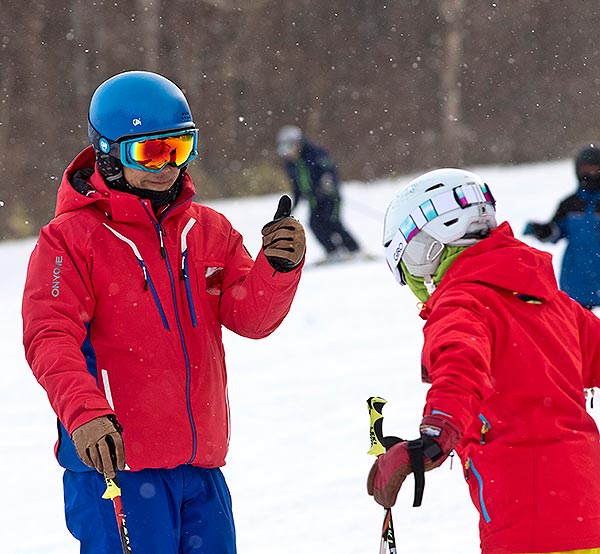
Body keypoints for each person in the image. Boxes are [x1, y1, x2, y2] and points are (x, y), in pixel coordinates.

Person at [22, 70, 306, 554]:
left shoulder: (207, 230)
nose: (167, 165)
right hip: (117, 467)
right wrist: (85, 413)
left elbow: (251, 317)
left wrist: (279, 268)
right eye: (150, 151)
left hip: (200, 467)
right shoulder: (70, 240)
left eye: (179, 147)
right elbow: (50, 337)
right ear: (110, 152)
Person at [367, 168, 600, 554]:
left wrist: (433, 438)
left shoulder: (462, 302)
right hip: (588, 505)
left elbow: (460, 367)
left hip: (530, 523)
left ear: (431, 246)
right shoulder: (549, 300)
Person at [524, 144, 600, 309]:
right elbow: (556, 231)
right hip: (577, 279)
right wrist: (542, 231)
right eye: (585, 170)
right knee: (576, 331)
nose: (590, 175)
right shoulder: (570, 204)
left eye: (595, 169)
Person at [276, 125, 361, 261]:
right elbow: (297, 187)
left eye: (290, 146)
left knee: (332, 222)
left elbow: (330, 170)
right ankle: (332, 251)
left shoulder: (314, 153)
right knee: (314, 224)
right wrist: (292, 207)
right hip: (314, 200)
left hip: (329, 196)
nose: (288, 152)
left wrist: (328, 181)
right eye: (284, 148)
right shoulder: (291, 164)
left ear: (299, 143)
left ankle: (354, 249)